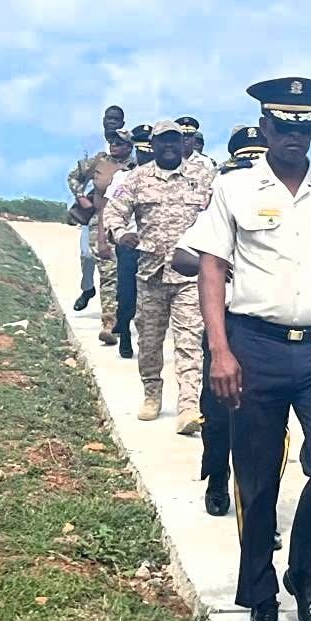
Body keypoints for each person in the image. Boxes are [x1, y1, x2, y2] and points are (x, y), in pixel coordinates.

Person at [188, 77, 311, 621]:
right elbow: (212, 268)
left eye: (305, 124)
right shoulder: (234, 187)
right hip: (254, 345)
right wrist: (220, 350)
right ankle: (261, 597)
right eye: (285, 124)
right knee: (259, 479)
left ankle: (304, 571)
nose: (296, 134)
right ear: (265, 128)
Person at [171, 124, 289, 529]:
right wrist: (220, 264)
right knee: (219, 415)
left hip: (269, 330)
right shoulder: (223, 201)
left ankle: (260, 510)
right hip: (226, 327)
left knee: (265, 425)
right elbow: (181, 257)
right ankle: (217, 475)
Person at [102, 120, 213, 435]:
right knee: (149, 341)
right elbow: (114, 212)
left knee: (190, 341)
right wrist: (121, 233)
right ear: (153, 144)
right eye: (162, 141)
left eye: (174, 141)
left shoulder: (202, 178)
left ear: (182, 144)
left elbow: (218, 213)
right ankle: (152, 392)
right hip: (150, 274)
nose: (169, 146)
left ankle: (189, 405)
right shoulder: (136, 179)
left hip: (189, 276)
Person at [68, 106, 127, 311]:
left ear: (122, 123)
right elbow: (75, 175)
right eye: (108, 118)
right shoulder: (94, 148)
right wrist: (81, 197)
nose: (111, 122)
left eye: (116, 119)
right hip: (95, 213)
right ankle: (88, 289)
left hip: (122, 218)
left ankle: (114, 313)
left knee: (115, 265)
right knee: (87, 255)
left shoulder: (133, 157)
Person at [105, 123, 155, 359]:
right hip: (131, 247)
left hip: (159, 249)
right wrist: (118, 234)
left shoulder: (171, 178)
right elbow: (112, 209)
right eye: (142, 151)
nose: (146, 155)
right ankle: (124, 332)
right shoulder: (124, 178)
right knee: (127, 295)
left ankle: (148, 344)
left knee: (153, 302)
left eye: (149, 151)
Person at [91, 129, 136, 346]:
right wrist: (102, 236)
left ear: (130, 146)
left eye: (120, 143)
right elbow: (103, 205)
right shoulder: (102, 164)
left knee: (130, 286)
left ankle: (127, 323)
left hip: (136, 239)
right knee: (109, 277)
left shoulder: (137, 168)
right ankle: (109, 324)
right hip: (112, 230)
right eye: (112, 142)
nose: (114, 146)